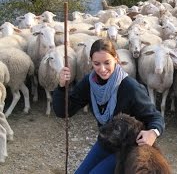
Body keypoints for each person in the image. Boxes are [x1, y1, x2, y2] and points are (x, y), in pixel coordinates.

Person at [52, 38, 165, 173]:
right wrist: (61, 87)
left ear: (116, 59)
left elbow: (154, 116)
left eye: (107, 63)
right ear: (91, 62)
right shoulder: (89, 83)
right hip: (106, 140)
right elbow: (64, 111)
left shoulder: (130, 87)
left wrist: (152, 132)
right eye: (97, 64)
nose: (102, 69)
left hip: (129, 148)